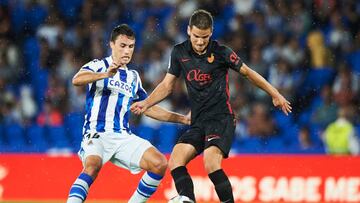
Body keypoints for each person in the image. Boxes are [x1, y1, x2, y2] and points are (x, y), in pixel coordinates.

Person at [131, 9, 292, 203]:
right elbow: (167, 86)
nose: (200, 41)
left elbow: (248, 73)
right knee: (176, 159)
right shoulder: (179, 52)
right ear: (189, 31)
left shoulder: (222, 53)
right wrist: (146, 103)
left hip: (221, 118)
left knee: (210, 163)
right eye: (197, 36)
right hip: (198, 121)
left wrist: (275, 94)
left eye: (205, 37)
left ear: (211, 33)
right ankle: (187, 200)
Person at [66, 24, 190, 203]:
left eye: (131, 46)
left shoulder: (133, 77)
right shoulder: (99, 65)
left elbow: (148, 107)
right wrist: (104, 75)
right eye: (122, 46)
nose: (127, 51)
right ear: (112, 44)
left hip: (122, 136)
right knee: (92, 166)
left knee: (159, 164)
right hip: (97, 133)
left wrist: (182, 118)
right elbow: (77, 79)